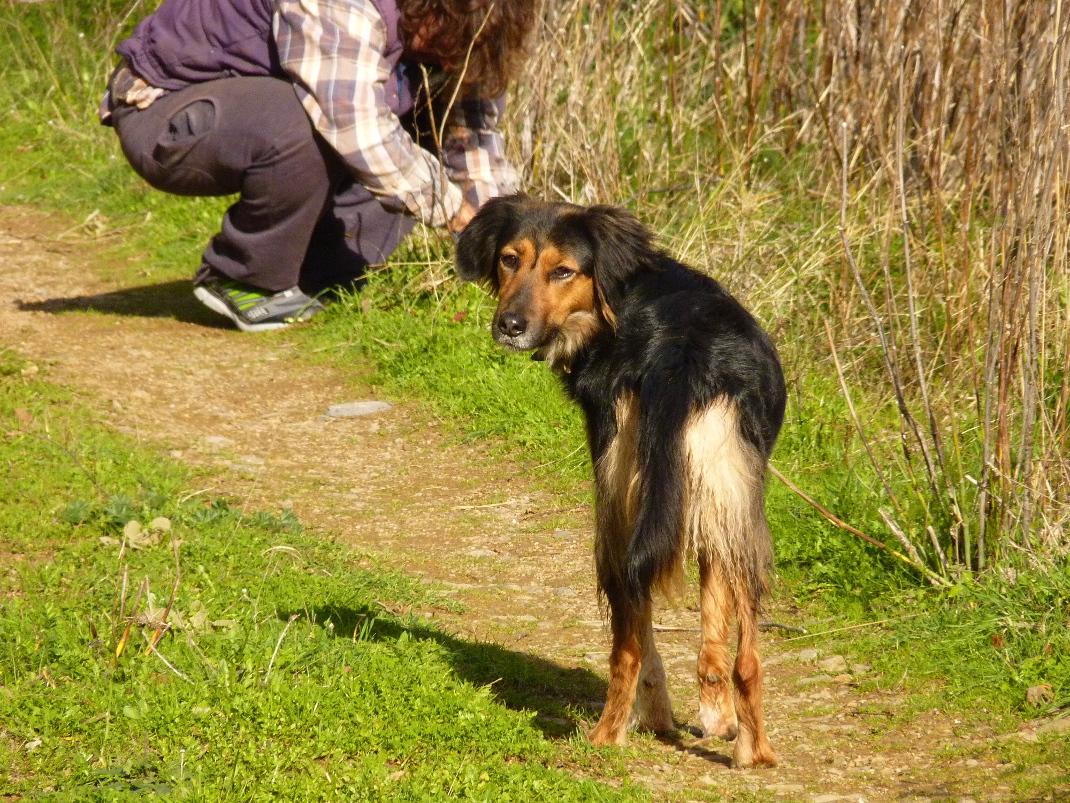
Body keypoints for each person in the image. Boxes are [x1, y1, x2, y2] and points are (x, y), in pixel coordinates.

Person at [100, 0, 532, 331]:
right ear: (434, 10)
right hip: (168, 114)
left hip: (257, 111)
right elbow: (354, 126)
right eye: (455, 40)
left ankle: (315, 279)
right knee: (309, 121)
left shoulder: (447, 43)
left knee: (418, 126)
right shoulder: (341, 5)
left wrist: (502, 229)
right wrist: (453, 212)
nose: (453, 58)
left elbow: (471, 136)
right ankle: (245, 278)